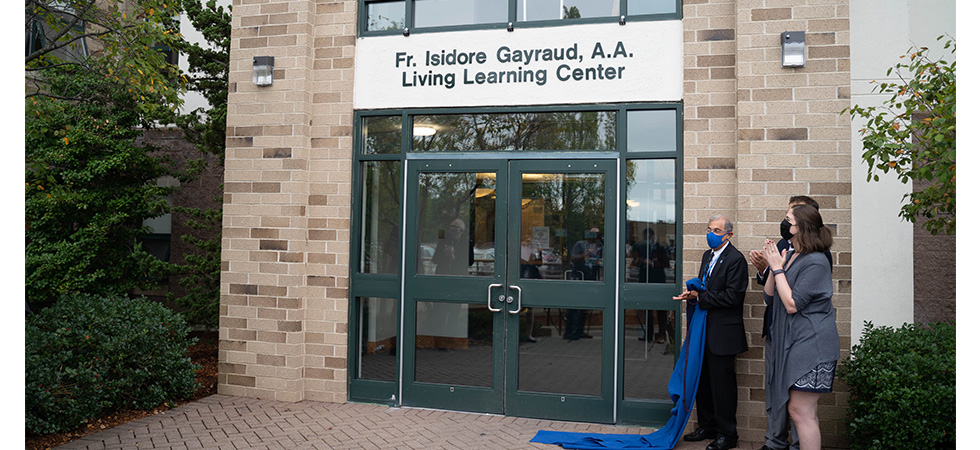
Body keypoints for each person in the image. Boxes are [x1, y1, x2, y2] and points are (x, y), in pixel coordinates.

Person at [749, 196, 832, 450]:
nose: (783, 225)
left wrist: (777, 268)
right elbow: (770, 296)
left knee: (802, 413)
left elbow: (793, 304)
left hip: (811, 345)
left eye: (788, 221)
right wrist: (776, 266)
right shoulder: (794, 254)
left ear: (801, 228)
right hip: (793, 342)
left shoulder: (816, 260)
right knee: (798, 410)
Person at [673, 214, 748, 450]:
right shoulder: (708, 256)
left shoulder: (736, 259)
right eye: (709, 229)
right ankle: (707, 425)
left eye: (716, 230)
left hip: (722, 335)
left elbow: (733, 297)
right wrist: (693, 294)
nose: (711, 234)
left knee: (722, 385)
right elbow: (706, 287)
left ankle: (727, 434)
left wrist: (701, 296)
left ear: (729, 235)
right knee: (703, 380)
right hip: (703, 330)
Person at [632, 227, 671, 343]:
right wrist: (639, 261)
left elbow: (666, 263)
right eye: (645, 238)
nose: (646, 239)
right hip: (645, 280)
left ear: (652, 237)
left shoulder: (661, 247)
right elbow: (636, 262)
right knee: (647, 308)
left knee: (660, 310)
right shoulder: (641, 247)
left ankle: (661, 335)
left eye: (648, 237)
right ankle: (648, 334)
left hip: (658, 280)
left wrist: (652, 263)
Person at [565, 227, 603, 340]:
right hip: (579, 276)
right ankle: (570, 331)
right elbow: (572, 257)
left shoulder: (599, 246)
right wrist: (585, 255)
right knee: (574, 305)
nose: (595, 237)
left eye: (597, 234)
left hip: (591, 276)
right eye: (593, 234)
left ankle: (581, 330)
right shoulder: (580, 244)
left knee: (586, 306)